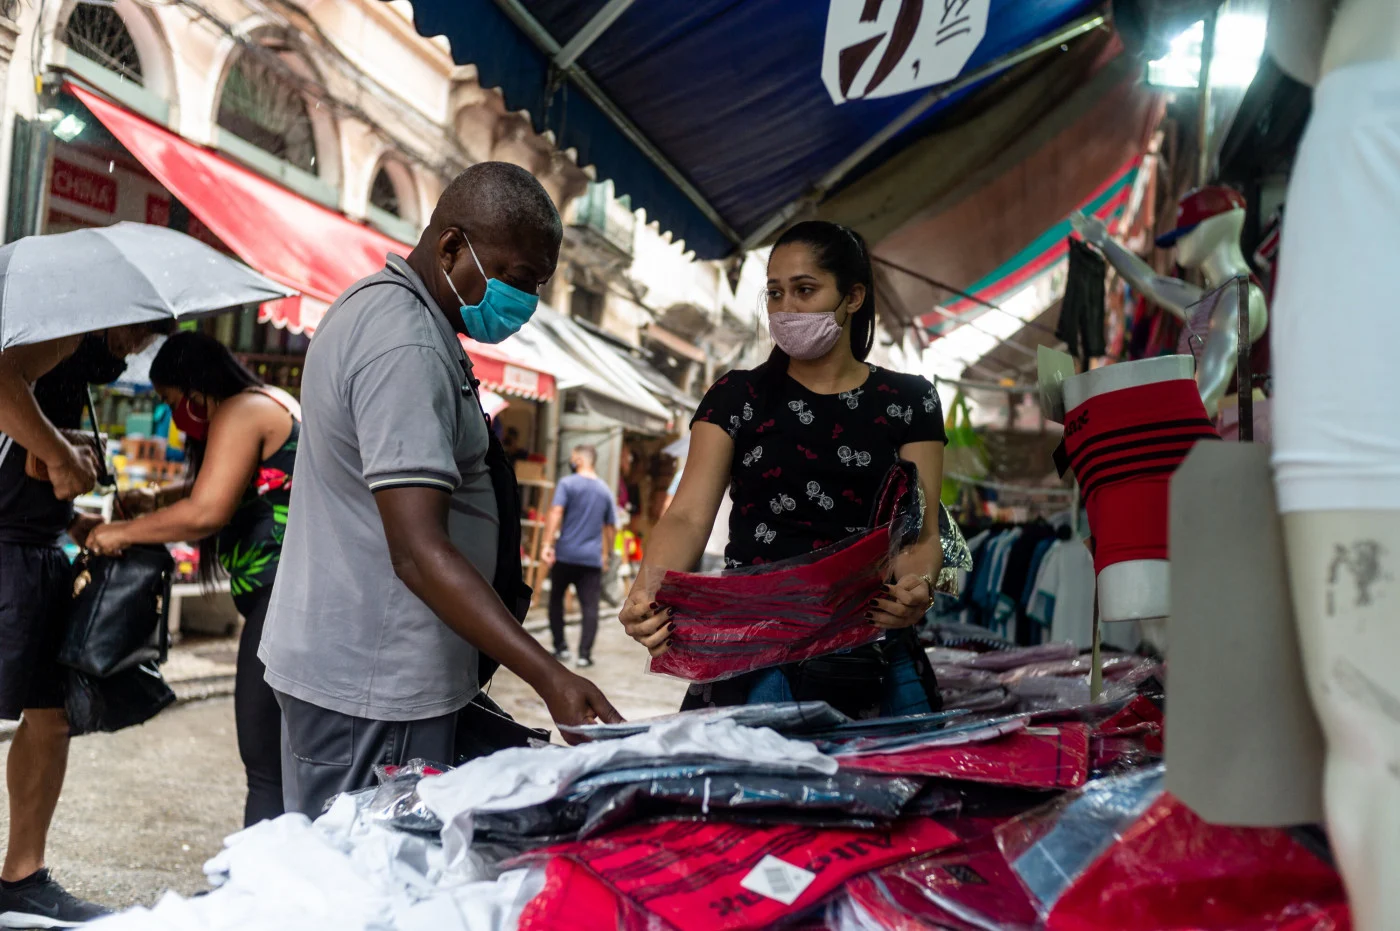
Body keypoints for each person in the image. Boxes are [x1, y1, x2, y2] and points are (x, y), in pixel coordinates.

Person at [258, 162, 621, 817]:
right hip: (371, 685)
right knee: (362, 887)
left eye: (536, 286)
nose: (525, 302)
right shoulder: (404, 342)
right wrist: (549, 674)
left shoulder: (404, 319)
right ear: (452, 246)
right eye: (516, 279)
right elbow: (419, 550)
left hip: (379, 677)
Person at [619, 221, 947, 718]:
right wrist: (647, 590)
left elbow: (919, 530)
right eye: (775, 292)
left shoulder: (910, 400)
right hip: (752, 651)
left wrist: (916, 587)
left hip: (866, 653)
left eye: (805, 290)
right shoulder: (736, 396)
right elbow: (687, 515)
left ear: (853, 297)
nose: (786, 308)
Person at [86, 332, 301, 828]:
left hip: (284, 599)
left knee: (264, 760)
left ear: (194, 387)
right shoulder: (266, 402)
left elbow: (207, 512)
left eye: (171, 402)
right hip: (291, 598)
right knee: (280, 760)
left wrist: (119, 532)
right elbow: (232, 483)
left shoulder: (241, 410)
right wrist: (155, 499)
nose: (175, 415)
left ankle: (255, 888)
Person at [0, 324, 167, 926]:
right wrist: (60, 453)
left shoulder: (78, 362)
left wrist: (74, 517)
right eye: (140, 332)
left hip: (38, 548)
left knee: (51, 715)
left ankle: (22, 878)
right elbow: (1, 380)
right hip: (8, 553)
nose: (138, 346)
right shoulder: (64, 335)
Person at [542, 445, 616, 668]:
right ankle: (584, 655)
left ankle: (560, 646)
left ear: (581, 460)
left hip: (565, 554)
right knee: (590, 607)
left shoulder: (567, 483)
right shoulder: (604, 490)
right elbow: (610, 527)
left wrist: (547, 543)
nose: (571, 461)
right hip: (591, 560)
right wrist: (606, 554)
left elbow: (556, 512)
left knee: (556, 600)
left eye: (573, 458)